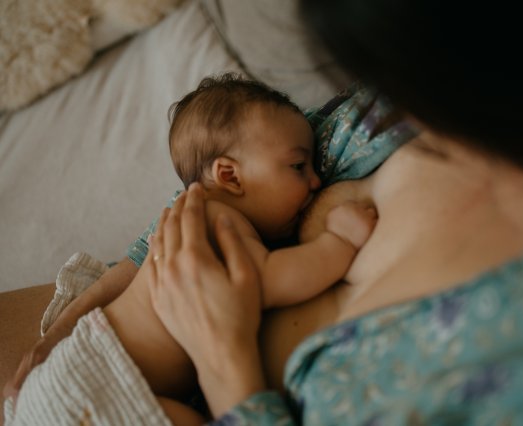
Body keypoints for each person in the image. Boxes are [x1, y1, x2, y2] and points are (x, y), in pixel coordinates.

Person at [4, 0, 523, 424]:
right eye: (300, 167)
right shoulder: (389, 112)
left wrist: (225, 361)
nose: (313, 176)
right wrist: (66, 326)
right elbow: (207, 254)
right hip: (86, 368)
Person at [3, 74, 377, 424]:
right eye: (298, 165)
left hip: (68, 373)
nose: (314, 180)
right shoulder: (219, 221)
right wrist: (338, 244)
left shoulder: (187, 212)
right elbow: (268, 279)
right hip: (107, 378)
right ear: (229, 175)